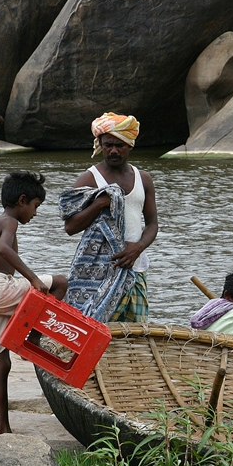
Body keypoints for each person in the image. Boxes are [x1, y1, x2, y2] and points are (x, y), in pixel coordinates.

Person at [0, 171, 67, 434]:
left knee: (1, 363)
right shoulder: (9, 221)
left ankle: (4, 428)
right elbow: (5, 249)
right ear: (23, 200)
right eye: (35, 207)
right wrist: (33, 279)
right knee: (60, 282)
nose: (35, 214)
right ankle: (34, 337)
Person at [61, 112, 158, 323]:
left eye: (119, 145)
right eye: (108, 145)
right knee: (96, 328)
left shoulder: (143, 179)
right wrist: (99, 203)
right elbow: (70, 226)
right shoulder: (90, 179)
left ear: (130, 146)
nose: (113, 150)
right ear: (100, 145)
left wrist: (138, 247)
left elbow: (152, 224)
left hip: (135, 265)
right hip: (101, 271)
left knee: (137, 333)